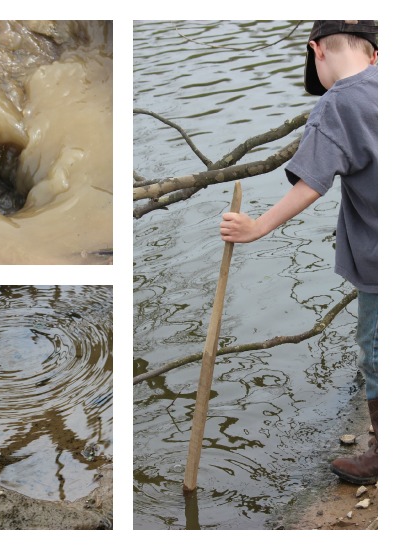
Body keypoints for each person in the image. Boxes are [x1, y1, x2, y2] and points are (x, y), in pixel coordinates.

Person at [220, 21, 378, 485]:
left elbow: (312, 183)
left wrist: (256, 227)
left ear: (316, 51)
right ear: (374, 53)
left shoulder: (338, 105)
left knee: (377, 351)